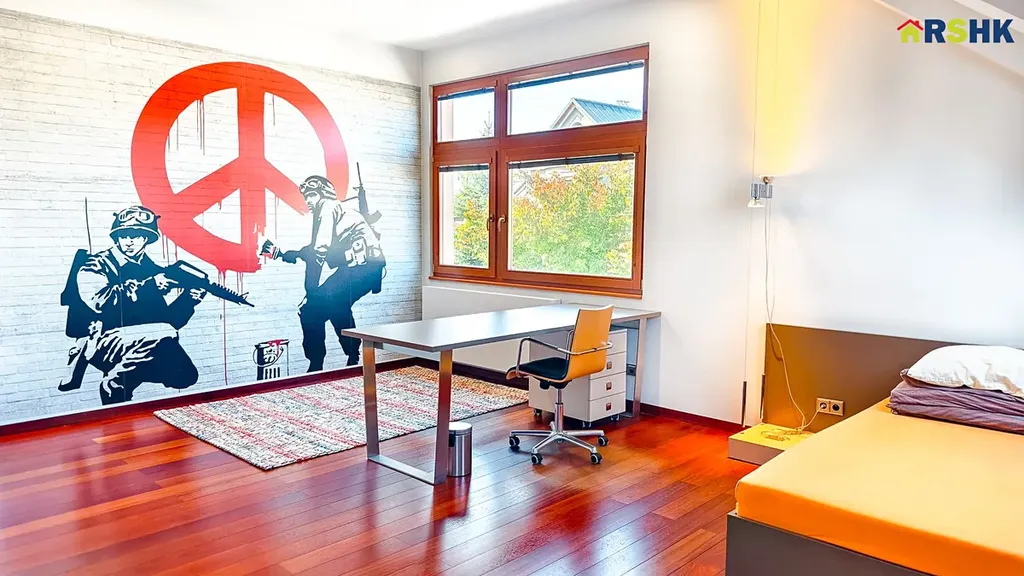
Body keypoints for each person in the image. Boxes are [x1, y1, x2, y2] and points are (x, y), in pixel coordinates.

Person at [58, 206, 207, 404]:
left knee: (184, 376)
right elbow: (100, 302)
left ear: (146, 239)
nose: (129, 241)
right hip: (101, 339)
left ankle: (123, 380)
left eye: (136, 236)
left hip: (144, 342)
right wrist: (151, 286)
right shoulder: (95, 265)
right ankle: (114, 385)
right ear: (116, 237)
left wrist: (189, 300)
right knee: (164, 335)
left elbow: (168, 322)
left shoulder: (152, 270)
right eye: (124, 235)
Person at [261, 175, 385, 371]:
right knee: (329, 305)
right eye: (306, 197)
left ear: (323, 194)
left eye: (312, 195)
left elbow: (319, 252)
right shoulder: (332, 209)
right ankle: (345, 355)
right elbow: (313, 250)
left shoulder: (327, 208)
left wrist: (310, 292)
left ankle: (328, 360)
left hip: (363, 268)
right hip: (361, 268)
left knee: (321, 305)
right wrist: (284, 254)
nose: (308, 201)